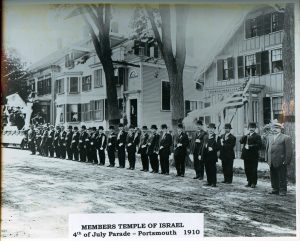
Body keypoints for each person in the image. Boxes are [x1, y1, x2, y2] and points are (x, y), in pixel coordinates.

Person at [265, 121, 292, 196]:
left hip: (281, 160)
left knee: (282, 176)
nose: (275, 129)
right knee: (273, 175)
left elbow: (289, 151)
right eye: (274, 128)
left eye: (277, 128)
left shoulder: (286, 138)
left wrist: (286, 160)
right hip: (271, 160)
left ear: (281, 129)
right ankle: (275, 189)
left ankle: (283, 190)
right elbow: (267, 148)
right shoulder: (269, 137)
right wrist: (267, 158)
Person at [240, 122, 262, 188]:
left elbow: (259, 145)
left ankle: (253, 182)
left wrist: (250, 146)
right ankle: (249, 181)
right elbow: (241, 141)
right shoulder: (246, 135)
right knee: (247, 169)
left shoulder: (257, 136)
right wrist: (245, 135)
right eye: (250, 128)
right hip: (246, 156)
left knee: (253, 169)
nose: (251, 129)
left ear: (255, 128)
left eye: (253, 128)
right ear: (248, 128)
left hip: (253, 156)